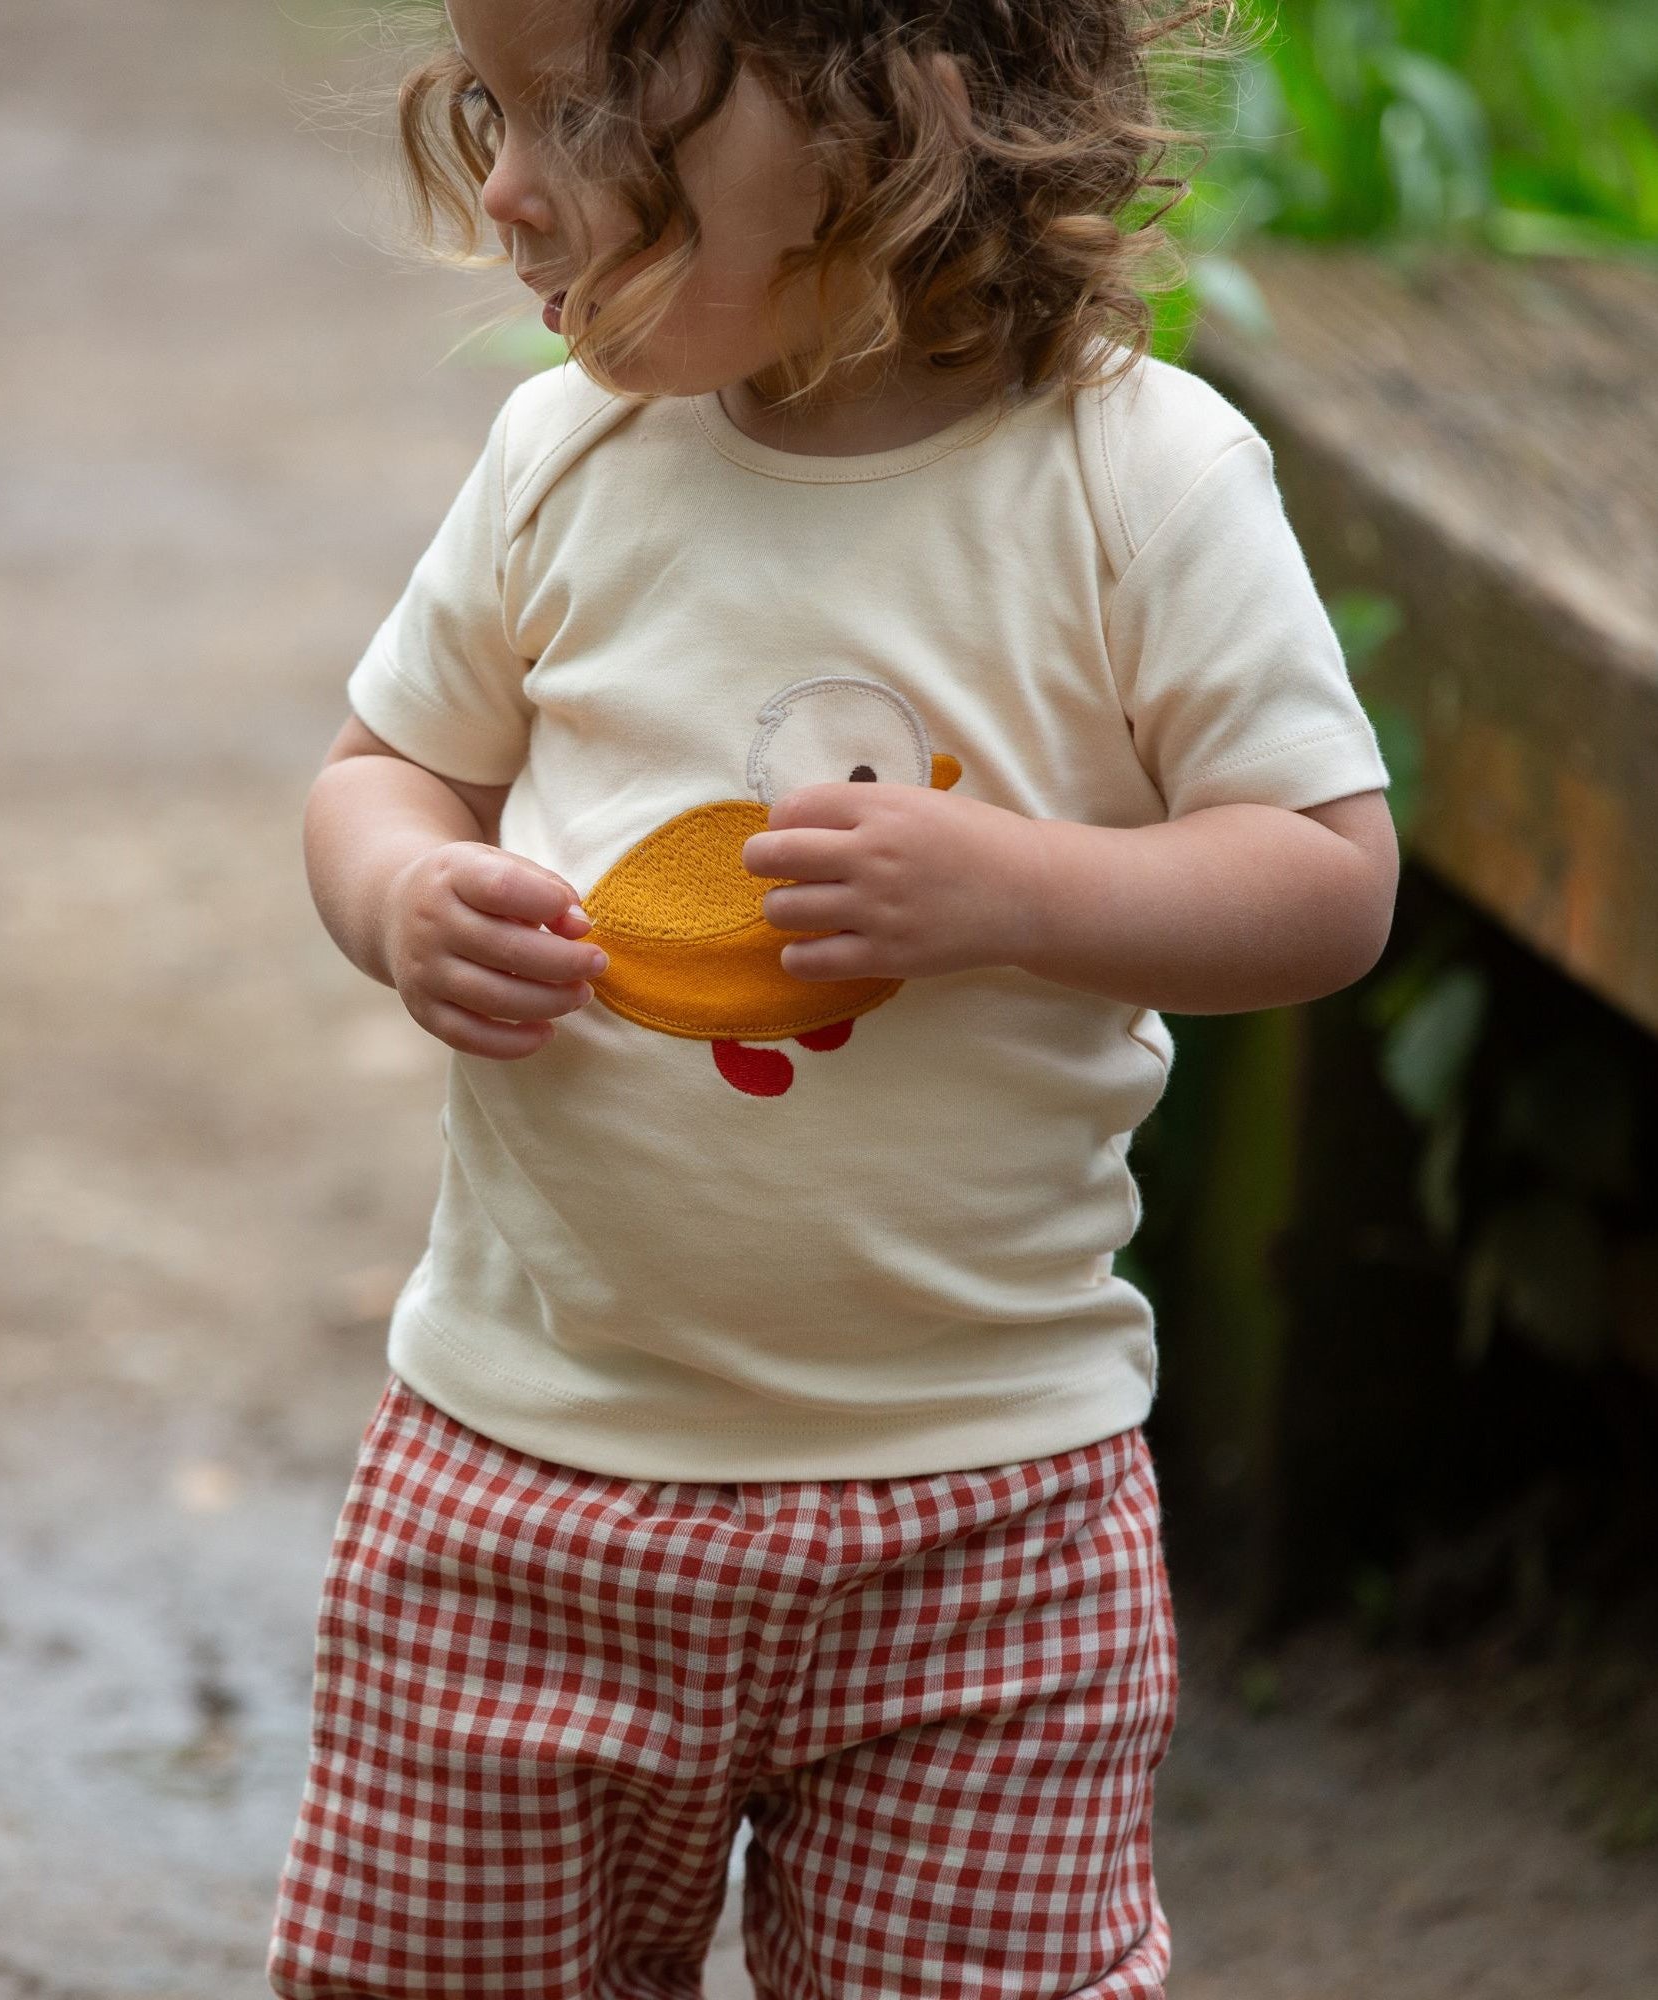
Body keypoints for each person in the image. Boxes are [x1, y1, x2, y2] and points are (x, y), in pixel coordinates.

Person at [266, 0, 1399, 1994]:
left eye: (592, 118)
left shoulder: (1136, 480)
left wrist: (1015, 890)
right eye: (489, 116)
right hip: (528, 1471)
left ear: (894, 111)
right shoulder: (568, 455)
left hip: (984, 1508)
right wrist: (407, 894)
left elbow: (1325, 876)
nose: (514, 191)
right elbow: (384, 774)